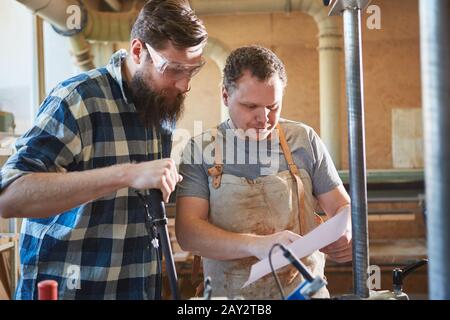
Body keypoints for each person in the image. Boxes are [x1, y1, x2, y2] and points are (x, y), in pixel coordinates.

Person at [0, 0, 207, 300]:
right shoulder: (77, 100)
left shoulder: (158, 103)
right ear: (138, 51)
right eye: (173, 69)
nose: (184, 85)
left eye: (192, 70)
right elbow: (9, 197)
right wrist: (126, 173)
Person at [175, 45, 352, 299]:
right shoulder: (200, 149)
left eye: (273, 106)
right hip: (232, 296)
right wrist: (255, 244)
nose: (264, 118)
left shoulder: (303, 139)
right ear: (225, 96)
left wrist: (345, 233)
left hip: (303, 291)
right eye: (251, 106)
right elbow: (188, 234)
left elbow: (342, 207)